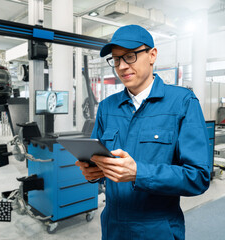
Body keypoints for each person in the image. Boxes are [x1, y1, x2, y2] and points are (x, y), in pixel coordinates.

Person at [75, 24, 211, 240]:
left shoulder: (182, 103)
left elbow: (199, 177)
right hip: (113, 228)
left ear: (152, 55)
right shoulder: (107, 107)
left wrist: (139, 173)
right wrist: (95, 173)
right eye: (116, 60)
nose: (121, 66)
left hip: (157, 229)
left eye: (129, 56)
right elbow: (100, 159)